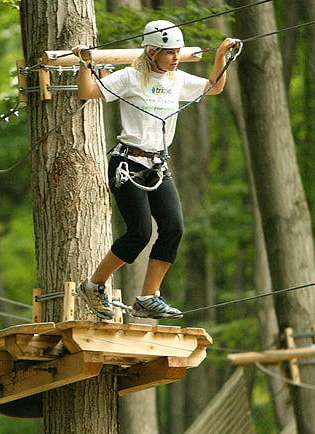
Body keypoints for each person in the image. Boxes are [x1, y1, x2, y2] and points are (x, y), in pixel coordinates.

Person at [73, 20, 239, 320]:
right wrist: (86, 63)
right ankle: (94, 285)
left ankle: (148, 297)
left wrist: (221, 57)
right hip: (128, 163)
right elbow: (87, 91)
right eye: (169, 53)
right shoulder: (131, 78)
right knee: (139, 233)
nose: (175, 58)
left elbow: (212, 88)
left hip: (158, 164)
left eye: (177, 52)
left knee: (174, 228)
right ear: (151, 52)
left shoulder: (177, 79)